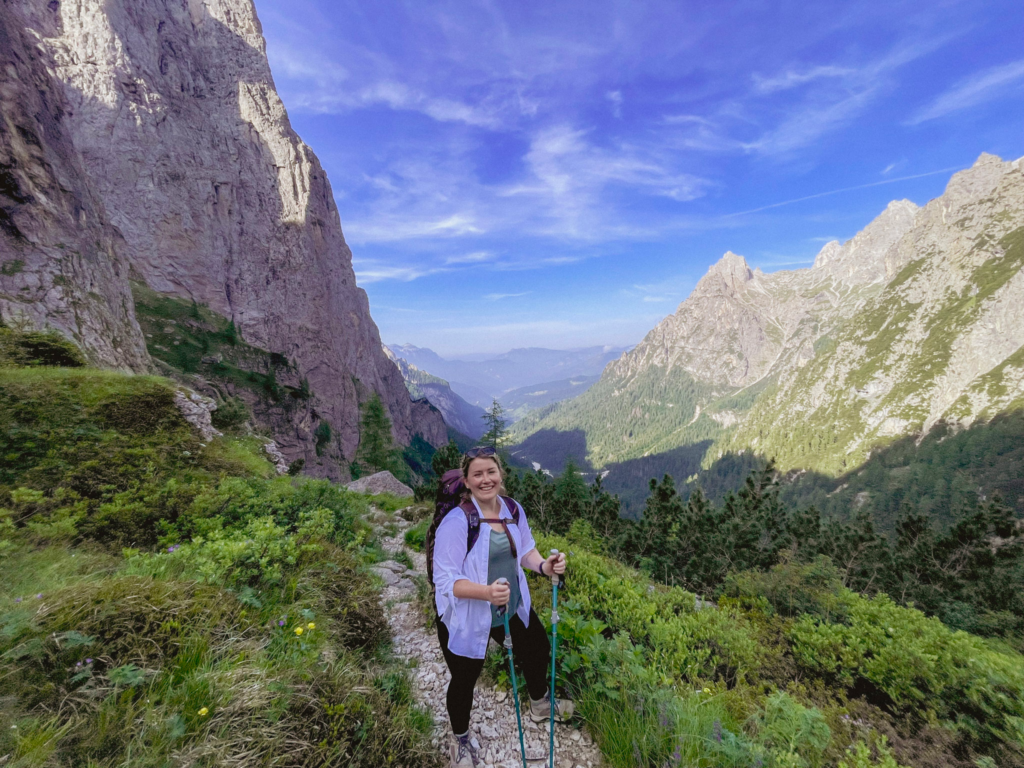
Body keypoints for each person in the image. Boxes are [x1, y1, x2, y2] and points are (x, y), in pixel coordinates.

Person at [433, 445, 573, 768]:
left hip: (510, 608)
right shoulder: (456, 523)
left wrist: (545, 567)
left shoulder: (513, 510)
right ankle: (460, 739)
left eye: (491, 472)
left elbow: (526, 551)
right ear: (466, 482)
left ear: (500, 475)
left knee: (538, 647)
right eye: (477, 474)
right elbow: (446, 582)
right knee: (465, 678)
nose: (486, 480)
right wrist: (485, 592)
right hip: (467, 615)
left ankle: (539, 704)